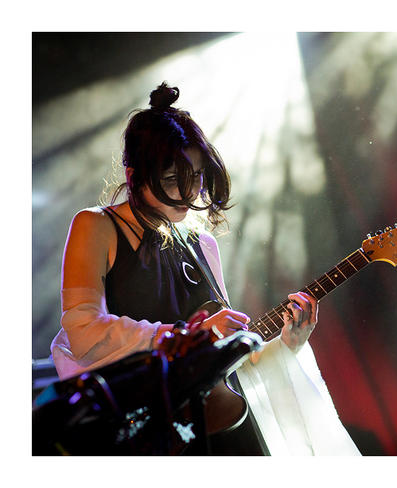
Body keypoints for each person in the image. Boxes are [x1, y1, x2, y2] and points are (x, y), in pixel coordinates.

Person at [50, 82, 360, 455]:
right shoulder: (96, 225)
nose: (189, 192)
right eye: (171, 180)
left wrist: (286, 344)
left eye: (196, 176)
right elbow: (82, 330)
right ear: (134, 177)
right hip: (141, 440)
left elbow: (225, 363)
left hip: (216, 431)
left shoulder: (202, 244)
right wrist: (188, 337)